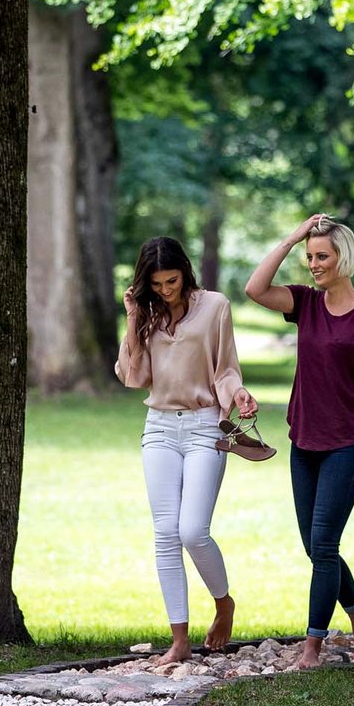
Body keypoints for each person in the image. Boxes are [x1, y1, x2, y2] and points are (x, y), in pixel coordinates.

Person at [245, 214, 354, 669]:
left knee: (324, 545)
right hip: (304, 442)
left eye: (321, 256)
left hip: (348, 446)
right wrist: (292, 237)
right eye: (310, 257)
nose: (313, 264)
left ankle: (312, 646)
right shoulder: (305, 304)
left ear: (343, 258)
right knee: (315, 546)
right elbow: (254, 289)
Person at [116, 237, 259, 664]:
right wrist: (132, 316)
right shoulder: (148, 312)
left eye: (172, 280)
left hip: (203, 427)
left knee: (192, 530)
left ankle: (223, 603)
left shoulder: (214, 306)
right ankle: (179, 640)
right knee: (165, 534)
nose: (165, 290)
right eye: (156, 284)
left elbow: (226, 369)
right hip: (159, 426)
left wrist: (240, 395)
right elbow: (133, 375)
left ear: (185, 271)